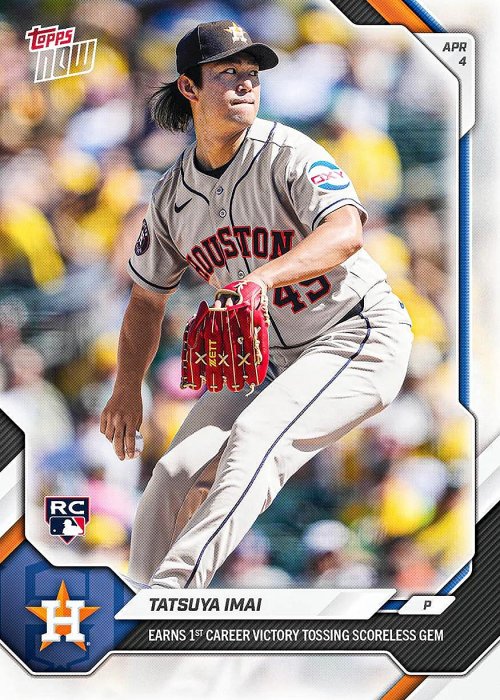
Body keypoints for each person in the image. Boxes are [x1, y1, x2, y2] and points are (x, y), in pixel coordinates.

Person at [100, 20, 413, 589]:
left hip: (355, 333)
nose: (246, 83)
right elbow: (145, 300)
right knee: (173, 473)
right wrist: (126, 388)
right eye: (228, 73)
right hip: (267, 358)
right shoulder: (170, 196)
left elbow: (346, 231)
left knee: (256, 437)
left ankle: (172, 591)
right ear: (189, 88)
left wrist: (261, 280)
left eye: (252, 73)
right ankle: (139, 605)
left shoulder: (287, 152)